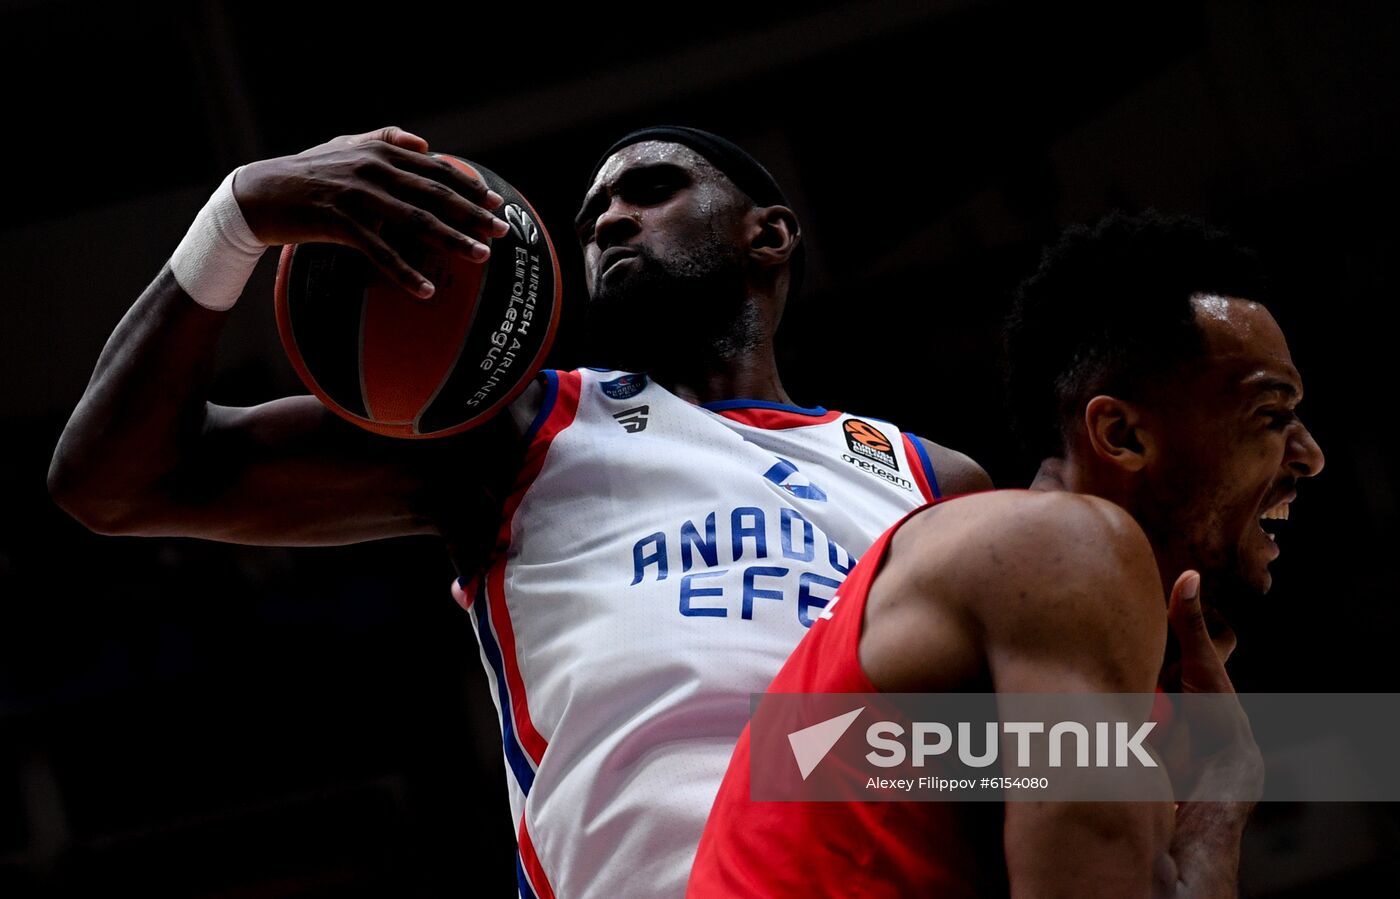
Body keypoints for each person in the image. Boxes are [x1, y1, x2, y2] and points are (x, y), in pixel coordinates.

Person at [46, 124, 991, 899]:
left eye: (651, 189)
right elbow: (115, 482)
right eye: (593, 215)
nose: (610, 219)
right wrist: (235, 217)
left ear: (770, 235)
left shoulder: (931, 479)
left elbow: (1061, 757)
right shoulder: (518, 431)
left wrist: (816, 754)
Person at [688, 211, 1326, 897]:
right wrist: (1223, 791)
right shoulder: (1064, 549)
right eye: (1271, 414)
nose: (1310, 455)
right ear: (1121, 434)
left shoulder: (1042, 605)